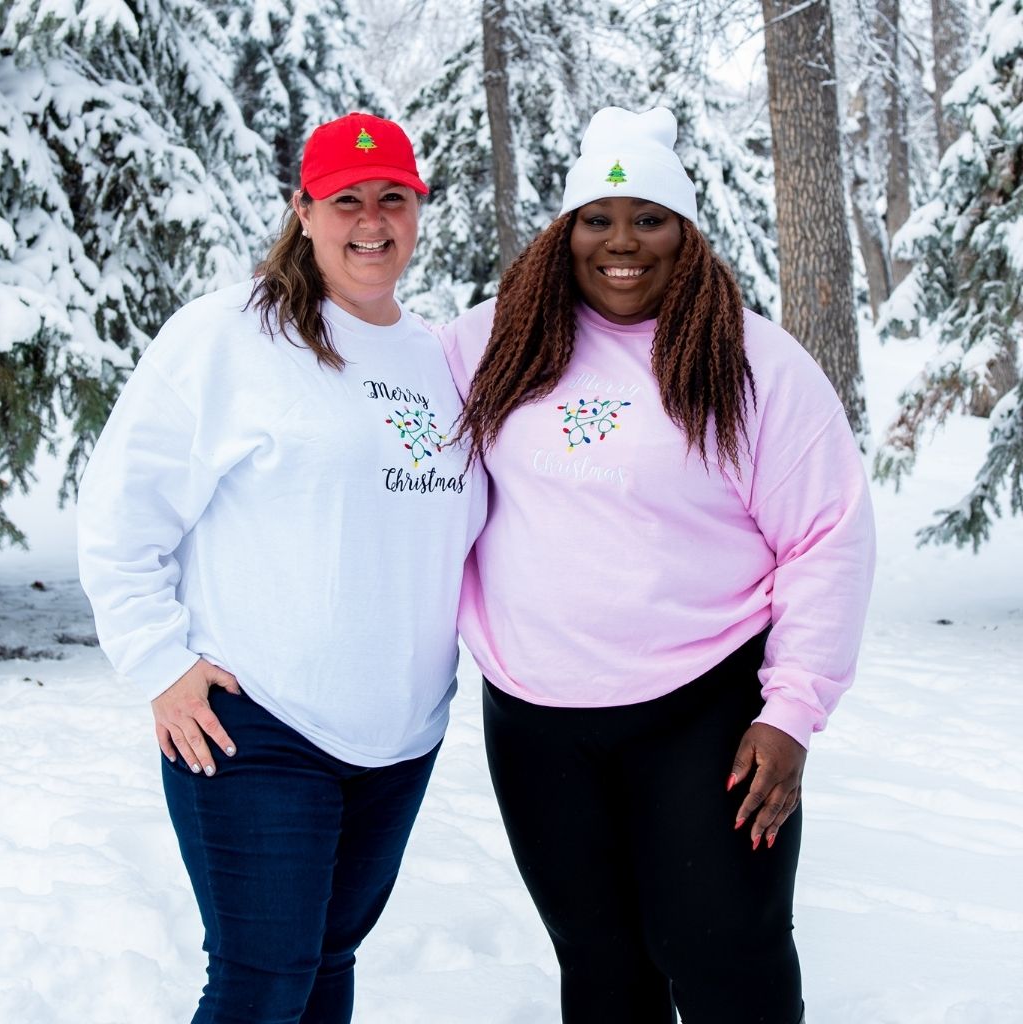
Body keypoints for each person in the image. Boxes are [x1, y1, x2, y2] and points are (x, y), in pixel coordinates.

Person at [437, 106, 875, 1024]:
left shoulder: (755, 363)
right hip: (536, 719)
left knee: (724, 957)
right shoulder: (488, 346)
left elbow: (827, 535)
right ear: (565, 235)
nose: (621, 242)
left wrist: (792, 713)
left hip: (703, 711)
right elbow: (377, 433)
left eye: (650, 218)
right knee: (600, 968)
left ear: (687, 233)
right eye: (597, 218)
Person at [77, 112, 485, 1024]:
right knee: (263, 979)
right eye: (346, 200)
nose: (370, 220)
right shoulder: (229, 336)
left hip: (398, 735)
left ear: (420, 209)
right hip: (254, 721)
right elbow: (120, 511)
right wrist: (158, 661)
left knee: (326, 961)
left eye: (393, 199)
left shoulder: (440, 358)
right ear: (303, 211)